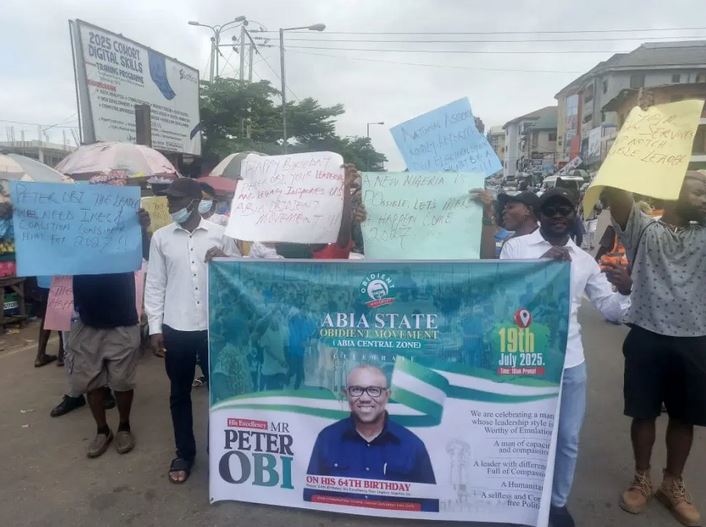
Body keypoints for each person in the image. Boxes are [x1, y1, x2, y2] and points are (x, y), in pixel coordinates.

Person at [500, 188, 631, 527]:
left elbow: (611, 310)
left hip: (571, 361)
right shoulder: (516, 249)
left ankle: (557, 504)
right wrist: (541, 270)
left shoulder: (584, 261)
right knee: (522, 436)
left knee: (568, 438)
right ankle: (518, 499)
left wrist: (627, 290)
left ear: (574, 214)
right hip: (525, 357)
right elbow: (504, 297)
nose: (558, 215)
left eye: (565, 209)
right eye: (550, 209)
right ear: (539, 214)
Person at [603, 171, 706, 527]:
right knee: (643, 413)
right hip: (647, 335)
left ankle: (672, 484)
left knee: (684, 417)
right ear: (673, 191)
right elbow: (618, 194)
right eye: (699, 191)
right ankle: (642, 479)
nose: (705, 198)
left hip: (695, 338)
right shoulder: (644, 229)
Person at [145, 177, 240, 484]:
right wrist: (155, 328)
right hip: (178, 328)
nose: (170, 205)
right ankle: (184, 453)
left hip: (215, 328)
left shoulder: (221, 234)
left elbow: (241, 273)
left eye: (175, 200)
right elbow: (155, 284)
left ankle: (220, 451)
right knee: (179, 393)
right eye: (168, 200)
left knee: (220, 393)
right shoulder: (161, 238)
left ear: (194, 202)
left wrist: (226, 259)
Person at [305, 364, 438, 512]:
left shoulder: (413, 445)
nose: (365, 398)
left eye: (374, 390)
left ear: (387, 395)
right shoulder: (327, 439)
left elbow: (429, 503)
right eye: (356, 390)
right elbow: (311, 495)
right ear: (346, 394)